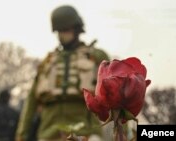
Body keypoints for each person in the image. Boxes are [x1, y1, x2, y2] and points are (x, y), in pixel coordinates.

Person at [16, 5, 110, 141]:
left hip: (86, 133)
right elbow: (31, 101)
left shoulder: (96, 57)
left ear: (77, 29)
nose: (61, 35)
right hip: (48, 134)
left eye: (65, 30)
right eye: (59, 31)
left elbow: (116, 94)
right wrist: (21, 135)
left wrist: (123, 133)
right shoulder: (47, 62)